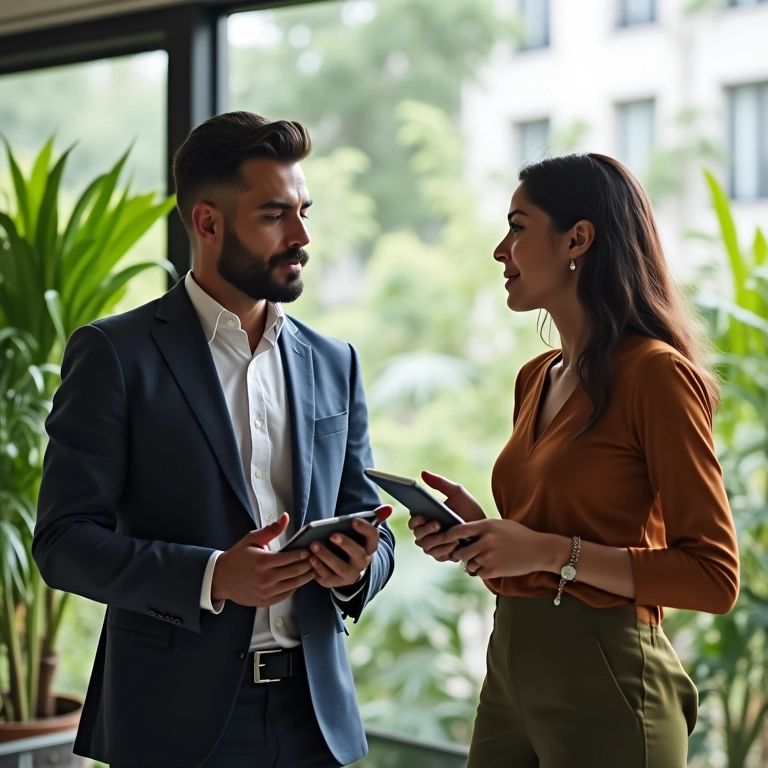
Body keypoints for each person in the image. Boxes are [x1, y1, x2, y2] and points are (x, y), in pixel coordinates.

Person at [33, 111, 395, 768]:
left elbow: (370, 522)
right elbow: (63, 544)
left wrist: (358, 569)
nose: (302, 235)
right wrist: (212, 577)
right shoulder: (116, 355)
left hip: (315, 720)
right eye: (274, 215)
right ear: (207, 223)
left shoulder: (334, 360)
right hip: (174, 728)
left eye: (304, 211)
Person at [409, 153, 739, 767]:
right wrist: (483, 538)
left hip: (609, 681)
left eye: (517, 226)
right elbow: (545, 549)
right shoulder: (536, 376)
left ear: (577, 239)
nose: (499, 250)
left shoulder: (656, 376)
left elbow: (714, 577)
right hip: (511, 665)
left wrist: (543, 551)